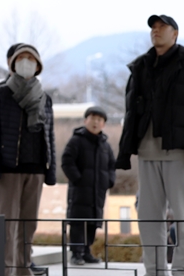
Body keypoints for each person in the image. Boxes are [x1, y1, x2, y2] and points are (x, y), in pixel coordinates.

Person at [116, 14, 184, 276]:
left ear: (176, 33)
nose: (156, 31)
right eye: (153, 27)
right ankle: (155, 270)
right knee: (148, 218)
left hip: (179, 152)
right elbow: (130, 112)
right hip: (147, 152)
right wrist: (126, 149)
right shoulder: (141, 66)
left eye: (163, 27)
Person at [0, 43, 57, 276]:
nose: (26, 61)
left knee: (28, 224)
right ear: (12, 63)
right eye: (22, 57)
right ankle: (5, 270)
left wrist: (51, 171)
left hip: (37, 167)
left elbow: (49, 135)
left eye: (31, 58)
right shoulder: (0, 94)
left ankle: (23, 268)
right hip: (9, 169)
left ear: (38, 64)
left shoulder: (44, 97)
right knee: (7, 225)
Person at [61, 106, 116, 266]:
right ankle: (76, 253)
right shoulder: (76, 140)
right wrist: (78, 179)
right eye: (93, 118)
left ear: (103, 124)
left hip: (98, 191)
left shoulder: (105, 145)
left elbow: (112, 165)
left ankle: (86, 252)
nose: (96, 122)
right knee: (78, 222)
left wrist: (109, 181)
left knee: (92, 221)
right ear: (86, 120)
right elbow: (67, 161)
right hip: (80, 190)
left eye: (99, 120)